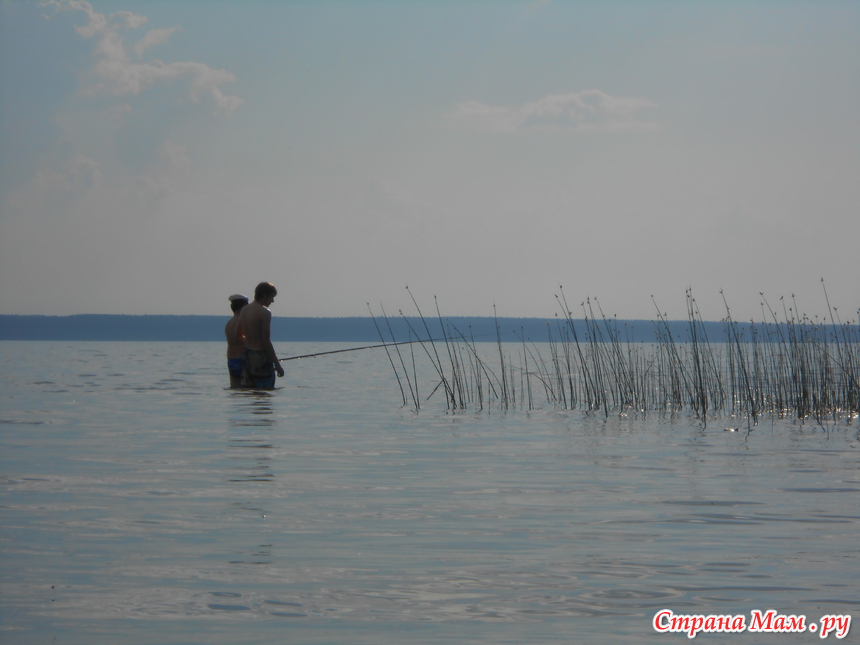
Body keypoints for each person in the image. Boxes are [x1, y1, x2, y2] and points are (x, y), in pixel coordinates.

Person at [237, 282, 284, 389]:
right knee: (265, 394)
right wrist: (277, 365)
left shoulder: (244, 310)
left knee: (249, 392)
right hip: (261, 358)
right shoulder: (265, 312)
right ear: (264, 295)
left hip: (247, 356)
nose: (272, 301)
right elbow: (266, 341)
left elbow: (238, 335)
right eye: (272, 297)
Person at [225, 294, 249, 388]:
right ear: (243, 306)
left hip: (231, 359)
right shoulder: (241, 321)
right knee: (246, 389)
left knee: (235, 389)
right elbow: (239, 338)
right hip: (241, 360)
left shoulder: (229, 322)